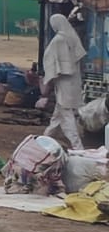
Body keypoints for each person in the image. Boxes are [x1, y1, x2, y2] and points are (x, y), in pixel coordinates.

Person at [43, 12, 88, 150]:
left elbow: (51, 60)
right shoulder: (72, 37)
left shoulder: (58, 40)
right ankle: (45, 138)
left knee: (66, 115)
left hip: (63, 82)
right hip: (73, 81)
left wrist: (49, 78)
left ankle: (77, 146)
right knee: (58, 114)